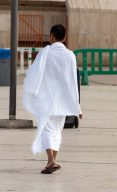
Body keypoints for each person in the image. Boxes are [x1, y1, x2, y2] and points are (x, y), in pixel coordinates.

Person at [23, 24, 81, 174]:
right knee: (56, 131)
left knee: (47, 130)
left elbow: (35, 72)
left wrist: (32, 91)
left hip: (46, 99)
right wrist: (76, 106)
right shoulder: (70, 55)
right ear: (65, 38)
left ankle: (51, 160)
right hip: (63, 101)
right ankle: (52, 162)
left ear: (51, 37)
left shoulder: (45, 52)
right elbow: (73, 82)